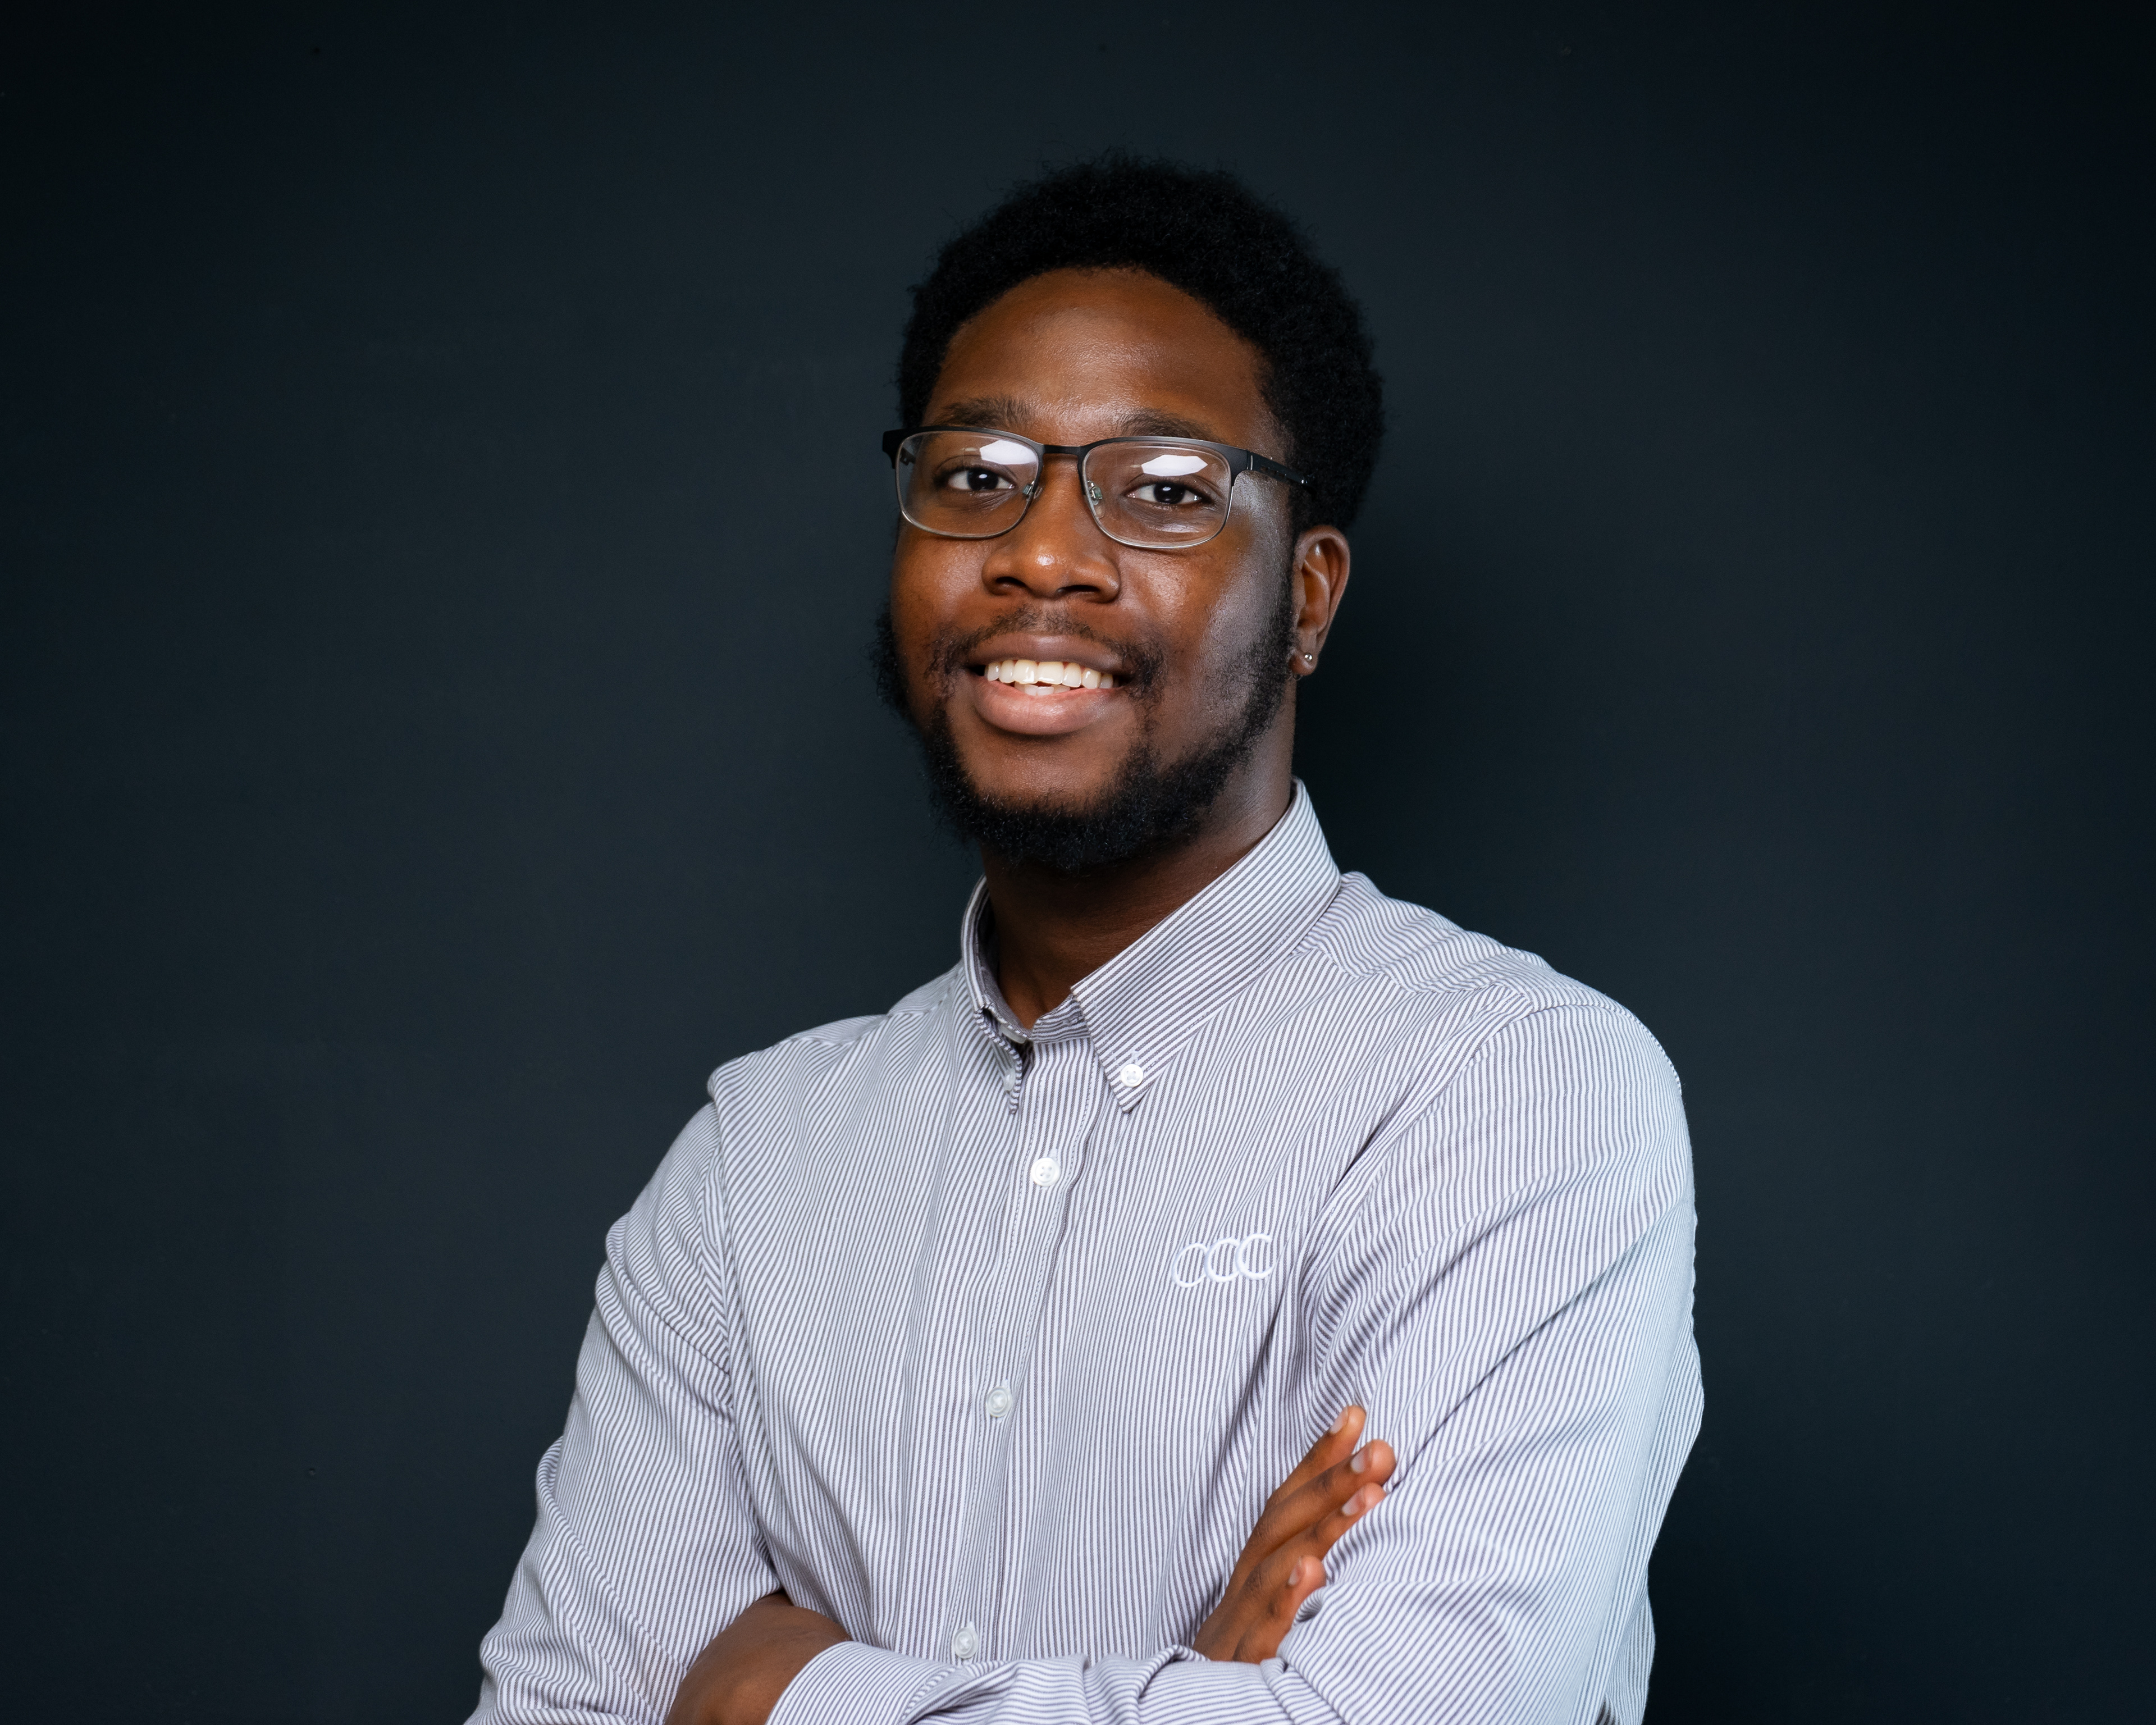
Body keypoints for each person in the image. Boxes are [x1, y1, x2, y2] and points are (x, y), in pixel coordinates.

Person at [469, 157, 1702, 1725]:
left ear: (1308, 597)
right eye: (977, 473)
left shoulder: (1511, 1095)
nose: (1041, 552)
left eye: (1166, 488)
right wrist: (1195, 1692)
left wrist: (777, 1699)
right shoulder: (750, 1172)